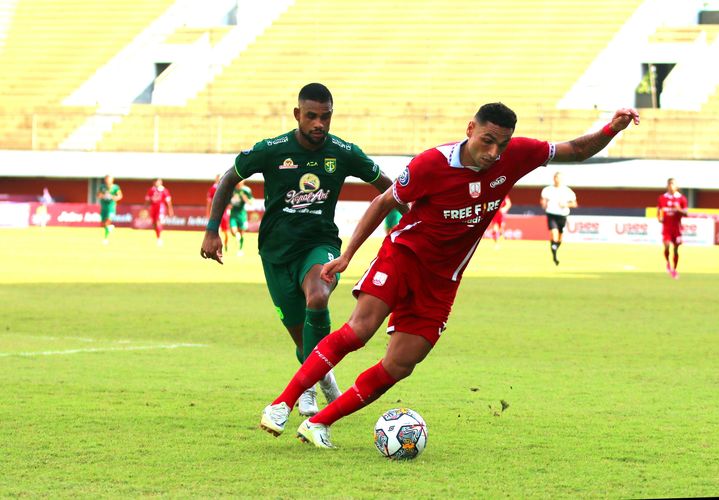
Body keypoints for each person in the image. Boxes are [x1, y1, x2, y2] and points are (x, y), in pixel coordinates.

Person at [257, 102, 639, 448]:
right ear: (470, 129)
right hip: (403, 257)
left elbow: (575, 150)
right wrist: (348, 256)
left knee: (401, 364)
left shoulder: (517, 154)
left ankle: (319, 424)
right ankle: (282, 404)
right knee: (359, 330)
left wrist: (612, 129)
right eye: (487, 140)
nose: (494, 153)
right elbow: (383, 201)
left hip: (443, 280)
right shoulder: (431, 164)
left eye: (501, 145)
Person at [200, 83, 400, 416]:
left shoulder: (343, 152)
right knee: (302, 341)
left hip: (319, 244)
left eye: (325, 116)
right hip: (276, 253)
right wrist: (211, 231)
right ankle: (324, 382)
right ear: (298, 115)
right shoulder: (272, 150)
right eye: (311, 116)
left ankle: (304, 389)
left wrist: (420, 219)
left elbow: (390, 188)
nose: (319, 123)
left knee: (318, 296)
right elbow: (228, 179)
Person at [540, 172, 577, 265]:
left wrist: (565, 204)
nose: (557, 180)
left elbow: (574, 203)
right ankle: (555, 256)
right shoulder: (547, 190)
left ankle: (555, 248)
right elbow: (543, 200)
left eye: (559, 178)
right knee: (554, 233)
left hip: (562, 215)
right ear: (554, 178)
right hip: (551, 214)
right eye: (556, 178)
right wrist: (543, 204)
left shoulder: (568, 191)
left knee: (560, 237)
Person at [656, 178, 688, 279]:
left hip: (677, 228)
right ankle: (668, 263)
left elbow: (686, 213)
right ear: (667, 186)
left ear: (676, 186)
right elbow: (659, 211)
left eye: (673, 184)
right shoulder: (662, 198)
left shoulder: (681, 198)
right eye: (669, 184)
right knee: (666, 246)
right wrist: (659, 217)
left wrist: (679, 210)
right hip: (666, 227)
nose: (671, 186)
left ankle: (674, 269)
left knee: (676, 250)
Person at [145, 178, 174, 246]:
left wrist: (170, 209)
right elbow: (147, 200)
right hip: (153, 207)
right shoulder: (151, 190)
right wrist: (145, 208)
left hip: (160, 208)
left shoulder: (164, 190)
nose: (156, 182)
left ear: (160, 182)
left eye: (157, 181)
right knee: (154, 223)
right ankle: (158, 237)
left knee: (158, 222)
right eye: (155, 181)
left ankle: (160, 238)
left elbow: (168, 201)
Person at [228, 181, 253, 257]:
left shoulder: (246, 190)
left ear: (243, 182)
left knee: (242, 233)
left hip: (241, 214)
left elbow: (250, 202)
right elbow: (228, 200)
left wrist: (244, 198)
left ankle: (240, 249)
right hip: (233, 214)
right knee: (233, 231)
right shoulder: (232, 190)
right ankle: (236, 235)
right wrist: (229, 204)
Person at [206, 174, 230, 252]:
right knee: (217, 230)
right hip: (216, 212)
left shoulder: (226, 187)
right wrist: (208, 212)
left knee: (226, 232)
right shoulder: (213, 188)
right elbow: (209, 201)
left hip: (224, 213)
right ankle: (218, 247)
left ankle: (225, 244)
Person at [97, 175, 123, 245]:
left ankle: (106, 238)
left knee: (108, 221)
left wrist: (114, 197)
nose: (108, 181)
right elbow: (98, 195)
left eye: (110, 179)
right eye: (107, 179)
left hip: (111, 207)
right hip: (104, 207)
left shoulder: (115, 187)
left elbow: (120, 196)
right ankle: (110, 227)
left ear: (112, 180)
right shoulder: (102, 187)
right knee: (103, 223)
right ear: (105, 180)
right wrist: (103, 196)